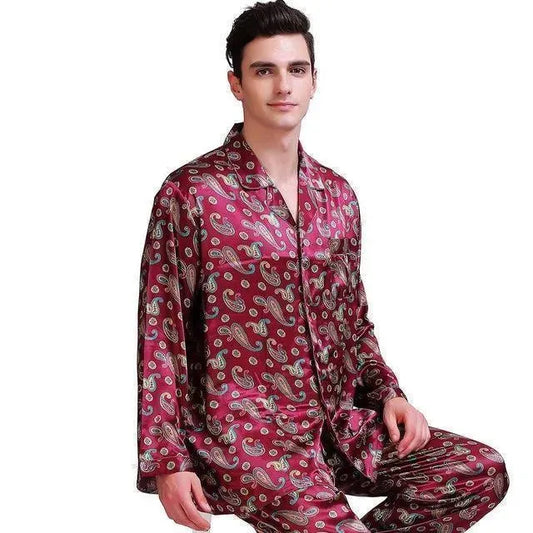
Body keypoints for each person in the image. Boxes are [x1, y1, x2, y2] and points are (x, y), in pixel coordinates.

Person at [136, 1, 510, 531]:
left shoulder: (336, 196)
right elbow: (161, 333)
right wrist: (167, 459)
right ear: (236, 84)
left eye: (296, 69)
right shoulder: (191, 193)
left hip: (338, 428)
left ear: (314, 81)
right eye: (263, 71)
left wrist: (390, 395)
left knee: (479, 470)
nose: (282, 85)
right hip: (245, 441)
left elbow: (353, 322)